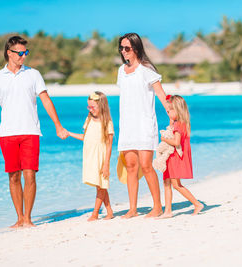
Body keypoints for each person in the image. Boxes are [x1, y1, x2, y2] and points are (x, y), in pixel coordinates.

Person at [0, 36, 69, 228]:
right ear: (8, 53)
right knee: (13, 176)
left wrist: (58, 125)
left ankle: (28, 218)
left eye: (25, 53)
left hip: (30, 131)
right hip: (7, 133)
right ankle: (19, 218)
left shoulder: (33, 74)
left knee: (30, 174)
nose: (23, 56)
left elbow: (45, 100)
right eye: (19, 53)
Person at [116, 33, 168, 218]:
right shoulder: (121, 71)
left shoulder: (146, 70)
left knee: (146, 166)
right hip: (127, 125)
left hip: (144, 124)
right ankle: (133, 209)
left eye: (127, 48)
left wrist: (172, 113)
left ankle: (157, 206)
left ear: (136, 49)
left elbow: (161, 94)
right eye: (121, 48)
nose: (123, 51)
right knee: (130, 166)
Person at [67, 92, 114, 221]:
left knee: (101, 185)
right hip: (90, 157)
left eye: (93, 107)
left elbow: (109, 145)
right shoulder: (88, 120)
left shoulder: (107, 123)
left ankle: (95, 213)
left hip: (101, 157)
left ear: (102, 106)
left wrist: (106, 165)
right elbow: (85, 138)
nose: (91, 109)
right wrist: (69, 134)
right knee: (100, 185)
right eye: (89, 107)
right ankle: (109, 211)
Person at [158, 95, 203, 218]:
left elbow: (176, 142)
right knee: (166, 182)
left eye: (170, 111)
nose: (168, 113)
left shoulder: (178, 125)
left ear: (178, 110)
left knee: (176, 185)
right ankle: (168, 211)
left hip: (175, 158)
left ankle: (197, 204)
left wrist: (163, 139)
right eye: (167, 111)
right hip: (171, 157)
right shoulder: (181, 123)